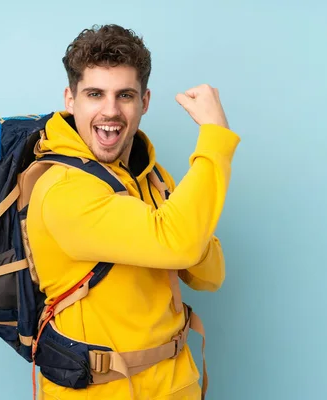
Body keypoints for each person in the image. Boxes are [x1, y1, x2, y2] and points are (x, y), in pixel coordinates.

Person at [26, 24, 241, 399]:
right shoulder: (63, 191)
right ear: (70, 99)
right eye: (95, 94)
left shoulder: (152, 176)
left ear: (144, 101)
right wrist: (215, 138)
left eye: (125, 95)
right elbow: (181, 247)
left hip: (177, 384)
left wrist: (176, 231)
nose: (111, 111)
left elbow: (210, 274)